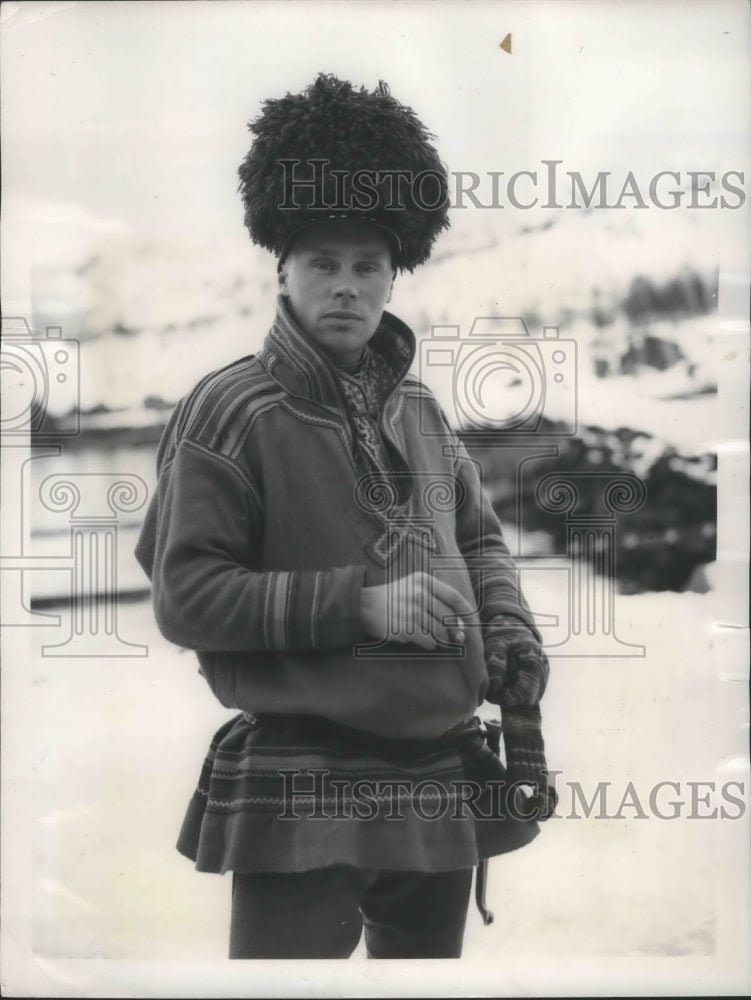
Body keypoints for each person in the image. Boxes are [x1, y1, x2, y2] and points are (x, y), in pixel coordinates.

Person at [135, 74, 555, 960]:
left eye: (368, 266)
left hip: (439, 772)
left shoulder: (422, 412)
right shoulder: (229, 412)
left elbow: (478, 541)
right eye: (323, 262)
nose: (346, 288)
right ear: (280, 265)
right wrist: (359, 606)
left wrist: (508, 627)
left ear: (393, 273)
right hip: (302, 779)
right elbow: (186, 596)